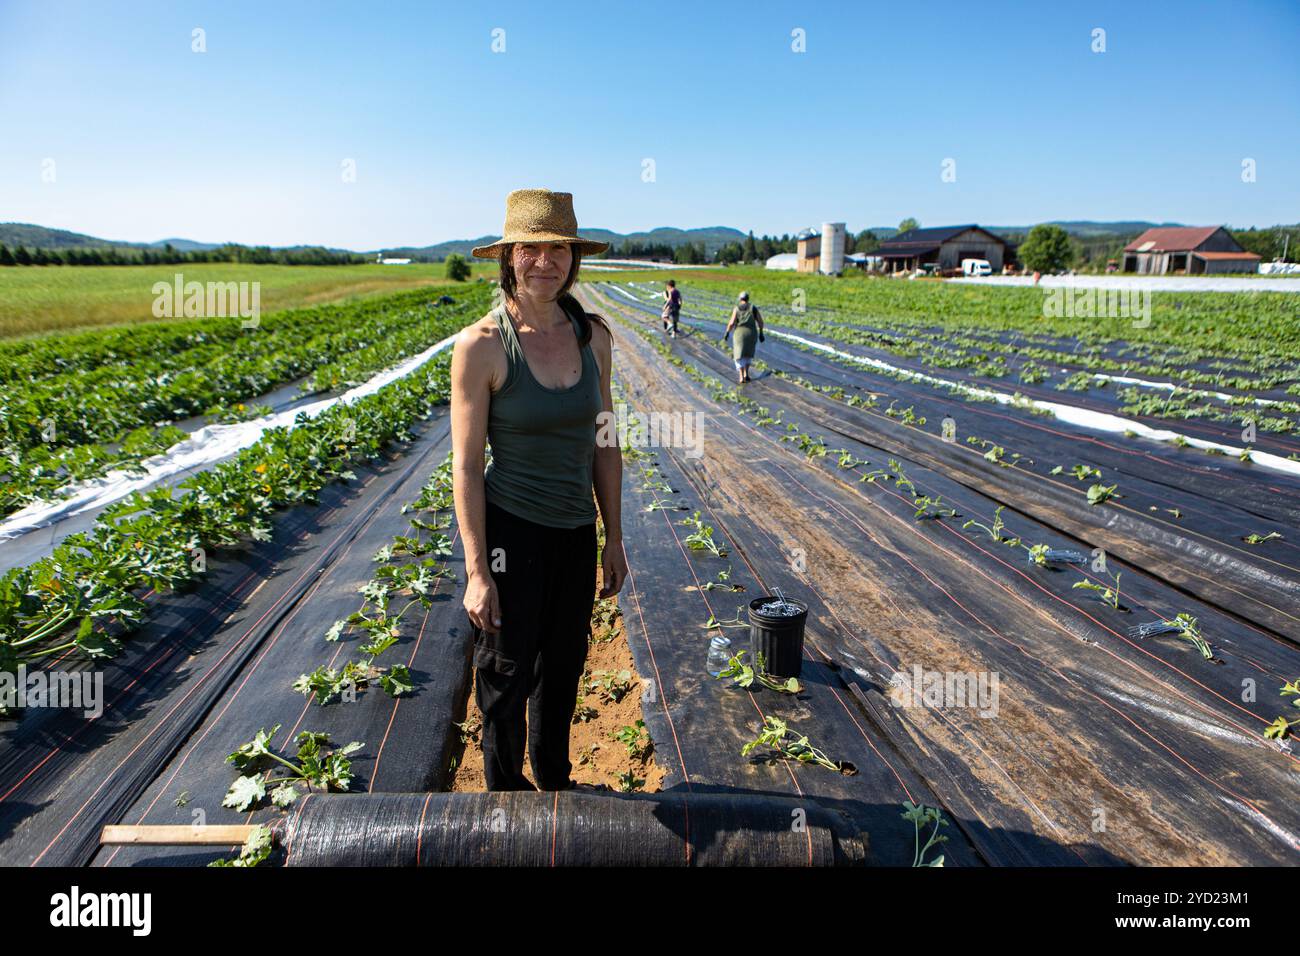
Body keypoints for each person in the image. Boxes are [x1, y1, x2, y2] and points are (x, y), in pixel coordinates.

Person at [451, 188, 629, 792]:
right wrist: (479, 570)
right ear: (509, 256)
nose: (545, 262)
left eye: (558, 249)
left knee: (563, 669)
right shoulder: (481, 345)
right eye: (531, 248)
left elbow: (605, 441)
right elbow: (468, 467)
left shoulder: (593, 337)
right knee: (504, 673)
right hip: (511, 533)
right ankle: (504, 794)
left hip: (576, 533)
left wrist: (614, 538)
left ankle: (556, 783)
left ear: (573, 258)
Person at [722, 290, 765, 383]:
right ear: (748, 299)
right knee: (748, 353)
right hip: (751, 333)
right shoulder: (753, 308)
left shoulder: (736, 309)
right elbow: (760, 322)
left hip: (739, 334)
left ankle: (741, 376)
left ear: (740, 299)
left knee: (739, 354)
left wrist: (727, 332)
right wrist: (761, 332)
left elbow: (731, 323)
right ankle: (746, 373)